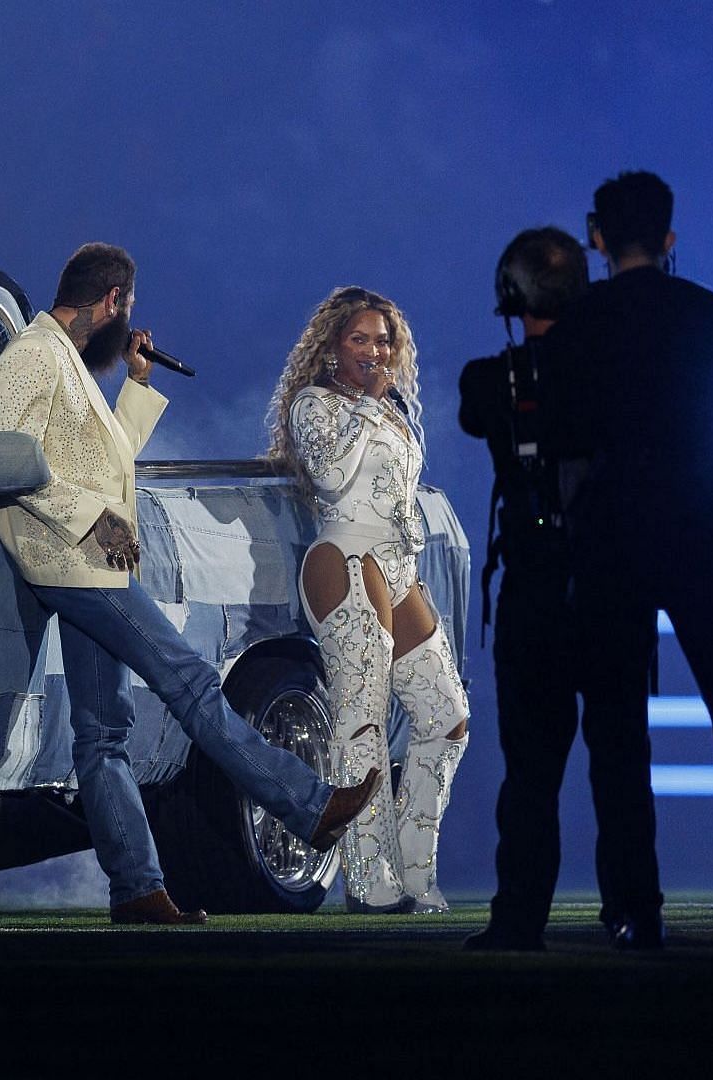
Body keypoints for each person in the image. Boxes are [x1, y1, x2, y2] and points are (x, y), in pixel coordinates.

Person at [0, 243, 378, 925]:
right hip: (71, 565)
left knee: (102, 733)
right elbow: (16, 467)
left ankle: (137, 889)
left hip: (86, 561)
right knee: (192, 684)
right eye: (127, 308)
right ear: (111, 299)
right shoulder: (30, 357)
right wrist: (106, 532)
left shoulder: (63, 361)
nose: (128, 320)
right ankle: (311, 807)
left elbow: (101, 458)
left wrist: (136, 381)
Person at [547, 170, 713, 950]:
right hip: (699, 533)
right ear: (668, 238)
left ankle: (636, 908)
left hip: (609, 538)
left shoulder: (578, 328)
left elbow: (557, 440)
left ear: (598, 236)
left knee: (617, 733)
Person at [266, 286, 470, 914]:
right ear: (332, 348)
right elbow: (330, 477)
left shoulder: (394, 410)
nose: (376, 351)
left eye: (383, 340)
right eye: (360, 340)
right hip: (345, 558)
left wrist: (383, 407)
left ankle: (414, 867)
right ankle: (367, 876)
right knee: (363, 718)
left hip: (400, 566)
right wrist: (363, 406)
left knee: (448, 718)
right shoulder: (315, 405)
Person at [456, 228, 613, 949]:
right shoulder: (612, 374)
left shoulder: (490, 381)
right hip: (608, 587)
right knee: (620, 759)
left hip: (532, 591)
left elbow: (472, 411)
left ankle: (519, 919)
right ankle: (633, 913)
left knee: (530, 772)